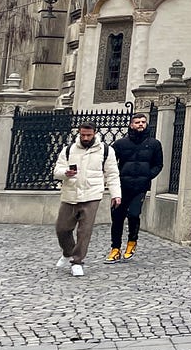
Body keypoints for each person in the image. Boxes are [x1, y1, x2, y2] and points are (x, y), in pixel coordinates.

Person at [52, 121, 121, 277]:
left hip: (92, 194)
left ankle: (77, 261)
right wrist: (65, 173)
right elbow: (57, 171)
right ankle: (68, 251)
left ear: (95, 133)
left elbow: (112, 174)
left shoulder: (106, 151)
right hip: (70, 193)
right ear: (79, 132)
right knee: (62, 228)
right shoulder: (68, 150)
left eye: (88, 135)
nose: (85, 137)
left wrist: (116, 194)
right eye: (83, 134)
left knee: (85, 231)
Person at [107, 111, 163, 262]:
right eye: (137, 122)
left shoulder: (154, 144)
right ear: (131, 125)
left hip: (141, 186)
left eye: (143, 122)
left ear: (146, 124)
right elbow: (110, 163)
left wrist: (147, 175)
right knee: (117, 217)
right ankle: (115, 248)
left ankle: (132, 242)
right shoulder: (120, 144)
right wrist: (116, 178)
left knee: (133, 214)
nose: (140, 125)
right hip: (122, 185)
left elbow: (158, 164)